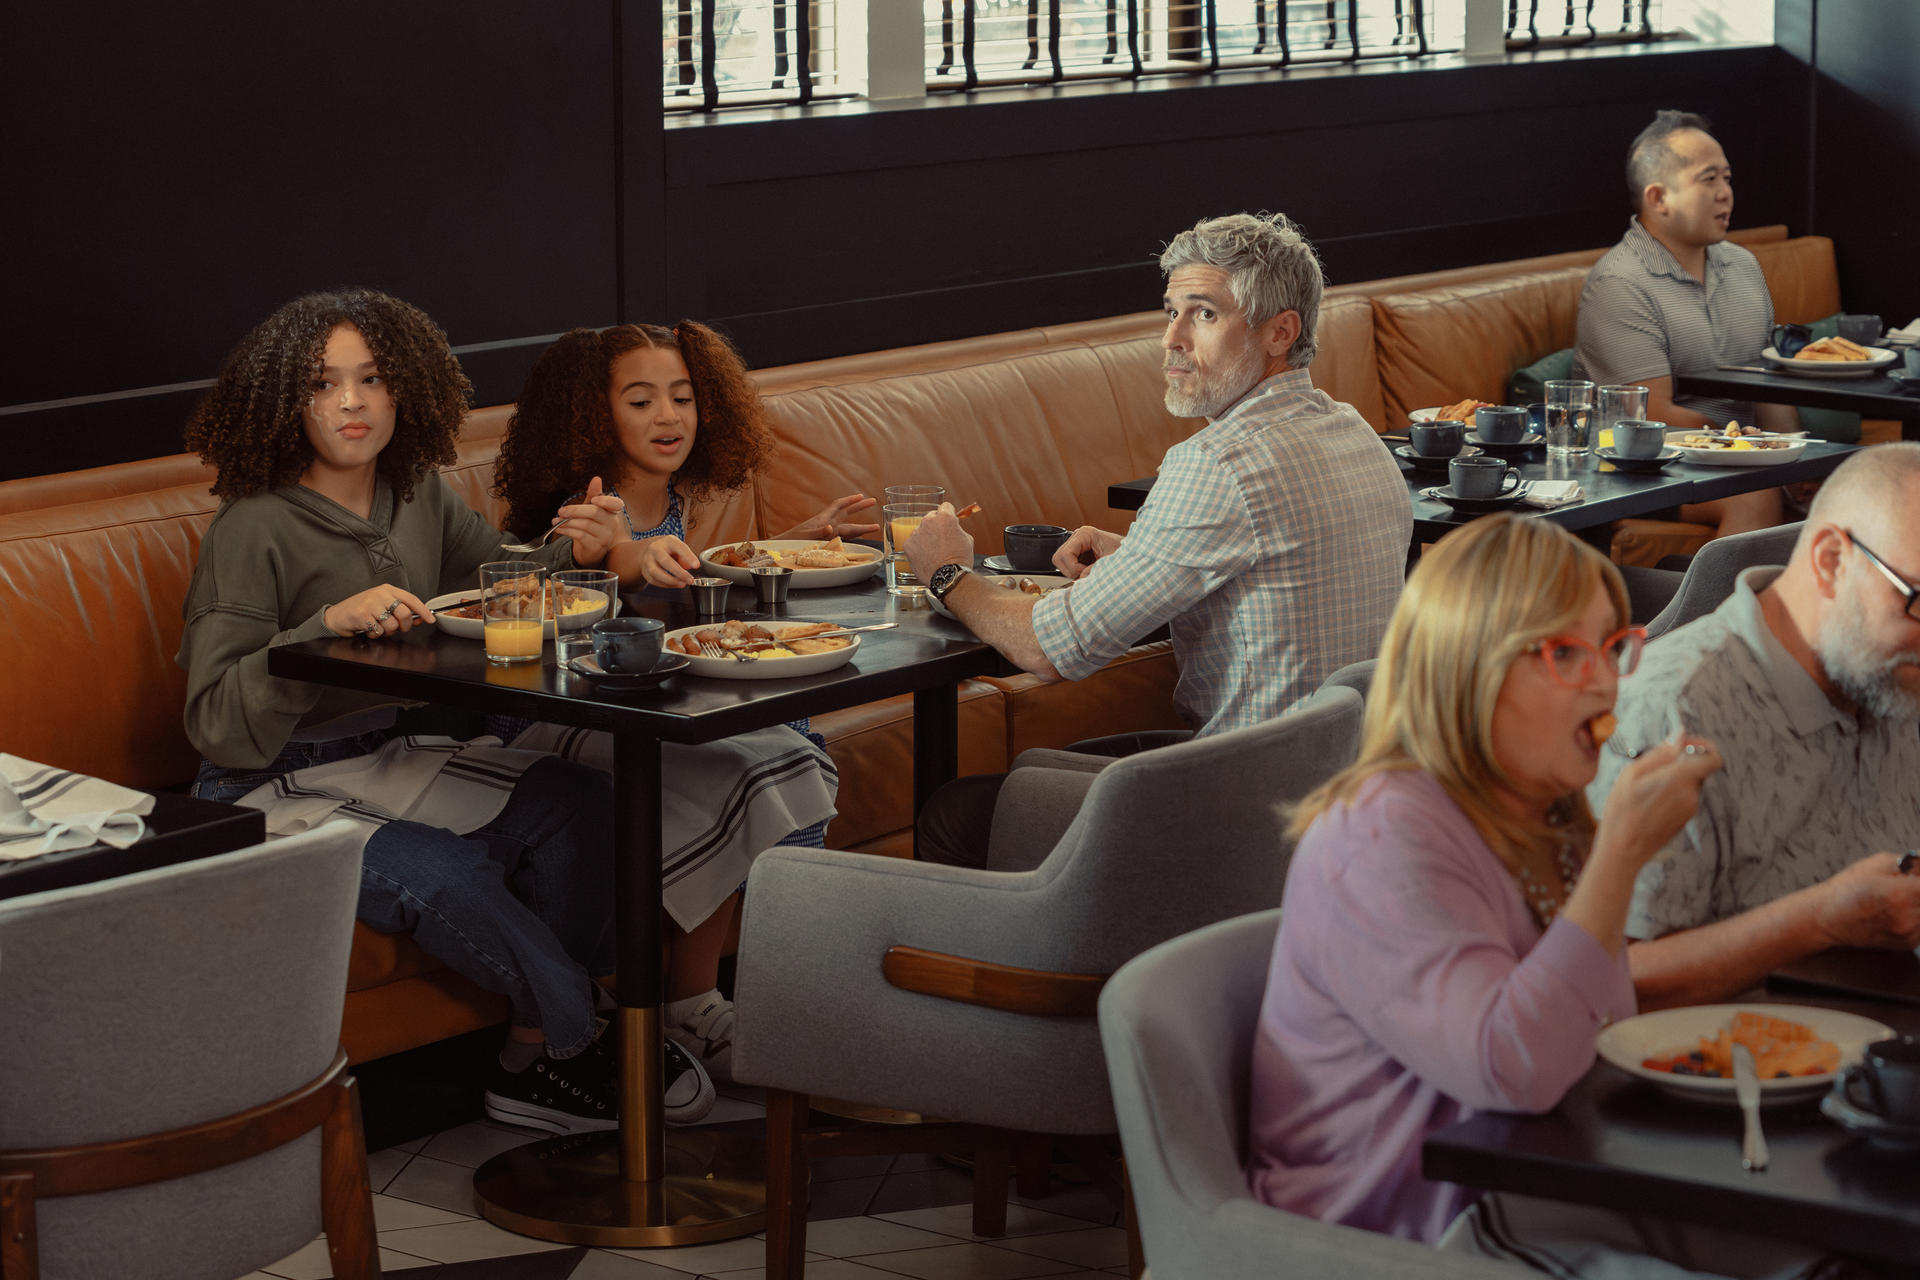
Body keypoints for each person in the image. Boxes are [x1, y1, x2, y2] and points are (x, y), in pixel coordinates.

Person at [1247, 516, 1854, 1277]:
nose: (1607, 682)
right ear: (1472, 667)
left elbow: (1596, 1028)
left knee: (1830, 1255)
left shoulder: (1540, 817)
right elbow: (1513, 1071)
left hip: (1537, 1187)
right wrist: (1619, 856)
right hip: (1404, 1227)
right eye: (1566, 653)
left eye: (1610, 647)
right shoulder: (1383, 836)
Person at [178, 288, 714, 1135]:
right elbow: (214, 726)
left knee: (583, 807)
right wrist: (321, 628)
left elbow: (501, 579)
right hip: (272, 786)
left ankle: (533, 1054)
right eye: (324, 384)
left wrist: (570, 551)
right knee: (452, 875)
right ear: (285, 400)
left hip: (402, 754)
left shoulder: (416, 492)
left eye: (373, 379)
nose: (352, 403)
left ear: (407, 393)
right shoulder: (251, 528)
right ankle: (588, 1042)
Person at [904, 211, 1410, 867]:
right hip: (1353, 797)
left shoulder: (1217, 463)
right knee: (1040, 769)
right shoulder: (1356, 434)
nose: (1170, 339)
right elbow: (1273, 565)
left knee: (954, 814)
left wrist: (948, 575)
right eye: (1170, 312)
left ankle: (1054, 967)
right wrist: (1143, 558)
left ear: (1280, 330)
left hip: (1245, 815)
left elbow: (1052, 649)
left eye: (1202, 314)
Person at [491, 320, 866, 1079]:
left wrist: (797, 542)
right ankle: (696, 1001)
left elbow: (683, 595)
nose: (669, 417)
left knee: (783, 735)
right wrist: (611, 554)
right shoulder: (586, 512)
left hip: (651, 710)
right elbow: (555, 598)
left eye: (683, 398)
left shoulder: (671, 502)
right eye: (641, 401)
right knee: (770, 752)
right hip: (556, 723)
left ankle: (716, 997)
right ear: (593, 418)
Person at [1588, 443, 1920, 1010]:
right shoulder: (1671, 714)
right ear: (1831, 561)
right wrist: (1817, 922)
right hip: (1727, 1070)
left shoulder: (1891, 675)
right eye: (1917, 602)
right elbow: (1600, 981)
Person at [1574, 109, 1789, 539]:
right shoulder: (1621, 283)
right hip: (1641, 471)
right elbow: (1652, 413)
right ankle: (1726, 609)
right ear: (1659, 198)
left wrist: (1794, 459)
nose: (1726, 193)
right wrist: (1754, 449)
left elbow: (1768, 385)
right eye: (1709, 180)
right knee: (1756, 494)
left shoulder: (1743, 264)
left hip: (1739, 457)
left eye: (1727, 178)